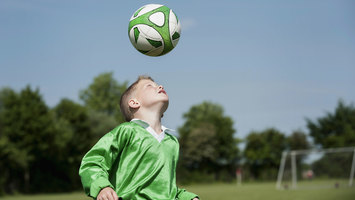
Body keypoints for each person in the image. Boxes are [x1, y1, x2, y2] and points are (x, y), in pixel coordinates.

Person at [79, 75, 199, 200]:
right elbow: (92, 162)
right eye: (149, 86)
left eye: (158, 85)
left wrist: (188, 197)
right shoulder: (126, 131)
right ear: (134, 102)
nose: (160, 86)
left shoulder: (172, 142)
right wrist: (102, 187)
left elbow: (167, 188)